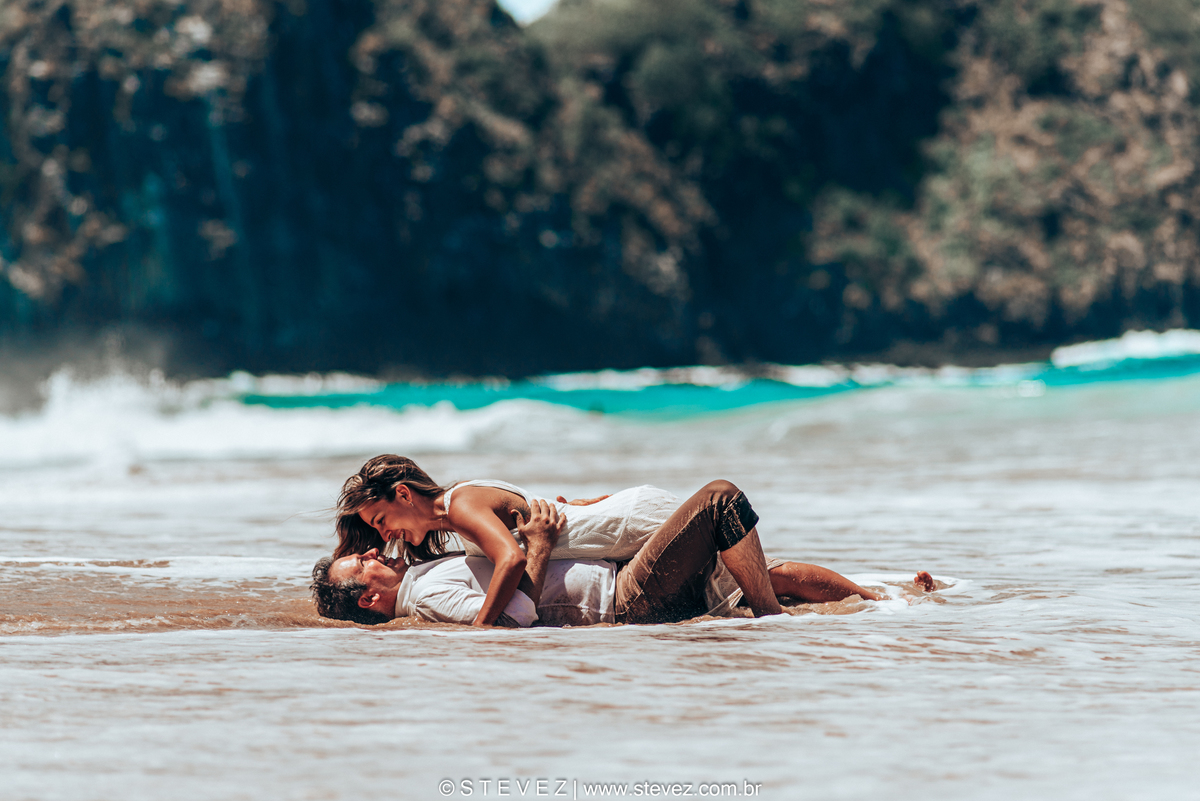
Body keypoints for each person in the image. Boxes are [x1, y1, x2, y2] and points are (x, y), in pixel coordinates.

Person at [313, 485, 929, 627]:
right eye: (361, 560)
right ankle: (773, 623)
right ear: (369, 596)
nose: (374, 548)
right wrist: (544, 544)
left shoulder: (423, 568)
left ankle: (883, 601)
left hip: (623, 581)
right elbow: (515, 621)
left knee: (769, 574)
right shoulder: (423, 594)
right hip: (625, 597)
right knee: (719, 501)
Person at [332, 456, 788, 626]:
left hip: (633, 531)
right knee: (762, 578)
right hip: (618, 551)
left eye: (379, 519)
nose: (382, 537)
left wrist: (482, 632)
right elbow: (533, 523)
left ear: (404, 494)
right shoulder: (455, 522)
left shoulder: (460, 507)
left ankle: (774, 625)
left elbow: (511, 558)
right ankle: (861, 604)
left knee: (722, 505)